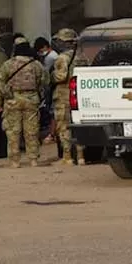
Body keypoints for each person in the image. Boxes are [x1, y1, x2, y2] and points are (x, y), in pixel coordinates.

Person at [0, 39, 49, 168]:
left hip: (13, 100)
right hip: (31, 100)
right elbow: (44, 81)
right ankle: (33, 159)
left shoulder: (8, 64)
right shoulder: (36, 65)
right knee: (32, 131)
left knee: (13, 131)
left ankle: (14, 160)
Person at [50, 28, 84, 165]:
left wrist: (51, 76)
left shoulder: (62, 58)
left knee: (63, 126)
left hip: (64, 94)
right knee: (78, 125)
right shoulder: (82, 57)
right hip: (79, 94)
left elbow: (61, 76)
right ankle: (81, 156)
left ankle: (67, 156)